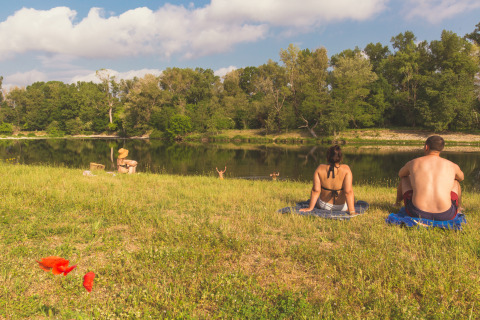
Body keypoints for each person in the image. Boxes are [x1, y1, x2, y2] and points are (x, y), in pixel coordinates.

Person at [395, 135, 463, 221]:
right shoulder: (452, 165)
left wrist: (413, 176)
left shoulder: (414, 162)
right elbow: (461, 177)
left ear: (426, 147)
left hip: (417, 212)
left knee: (405, 178)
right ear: (441, 149)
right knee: (456, 181)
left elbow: (401, 174)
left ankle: (397, 203)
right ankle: (459, 207)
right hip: (446, 214)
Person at [300, 145, 357, 214]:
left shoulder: (320, 168)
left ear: (327, 157)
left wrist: (310, 208)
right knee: (353, 198)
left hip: (323, 205)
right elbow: (348, 192)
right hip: (342, 207)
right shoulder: (346, 169)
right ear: (340, 158)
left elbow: (316, 191)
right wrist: (352, 211)